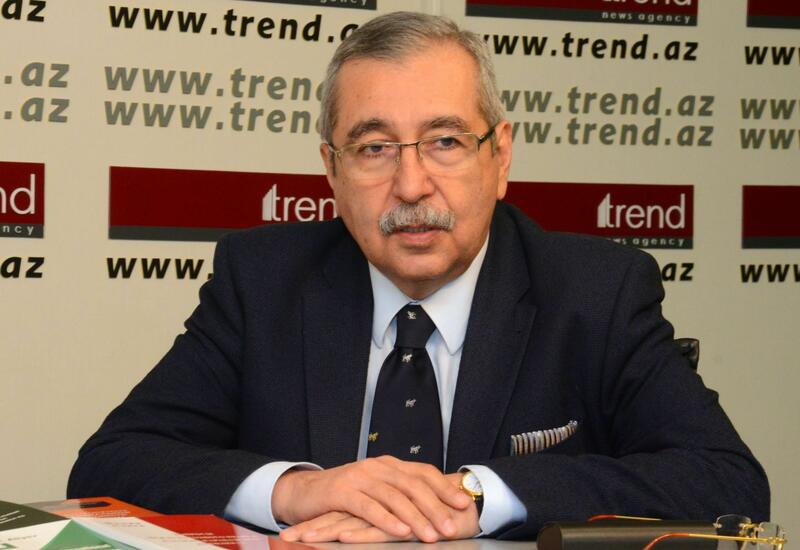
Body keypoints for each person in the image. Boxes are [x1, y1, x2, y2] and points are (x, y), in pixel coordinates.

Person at [67, 11, 769, 543]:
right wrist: (296, 491)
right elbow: (110, 464)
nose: (411, 184)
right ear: (332, 171)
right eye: (374, 148)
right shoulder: (263, 282)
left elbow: (727, 481)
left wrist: (475, 497)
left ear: (500, 157)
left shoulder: (596, 292)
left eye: (445, 141)